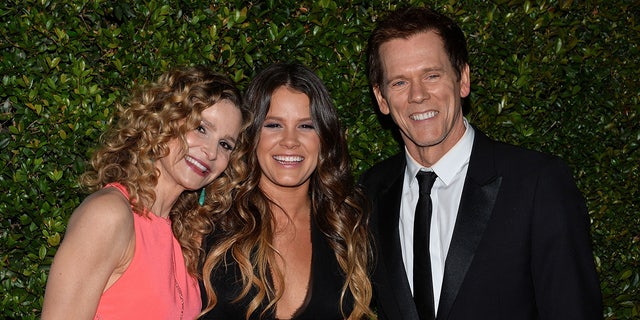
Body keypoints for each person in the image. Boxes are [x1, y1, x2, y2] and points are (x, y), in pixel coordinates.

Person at [359, 6, 603, 320]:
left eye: (432, 76)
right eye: (399, 83)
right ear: (381, 99)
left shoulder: (536, 184)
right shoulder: (371, 191)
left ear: (463, 79)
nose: (418, 96)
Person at [41, 66, 247, 320]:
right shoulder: (109, 215)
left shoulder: (184, 236)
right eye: (201, 128)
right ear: (165, 120)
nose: (211, 152)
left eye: (225, 144)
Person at [199, 62, 375, 320]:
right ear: (251, 135)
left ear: (324, 138)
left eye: (306, 126)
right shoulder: (208, 221)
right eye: (273, 125)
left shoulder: (349, 228)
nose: (290, 141)